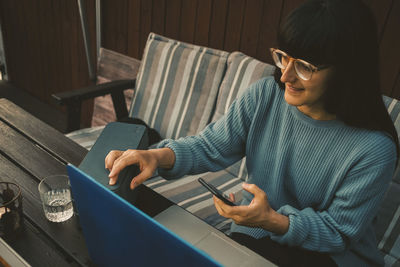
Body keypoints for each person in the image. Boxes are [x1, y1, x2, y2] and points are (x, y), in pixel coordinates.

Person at [105, 0, 399, 266]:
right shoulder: (265, 96)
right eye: (284, 57)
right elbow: (210, 146)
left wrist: (275, 221)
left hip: (332, 257)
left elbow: (338, 233)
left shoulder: (374, 148)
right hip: (261, 232)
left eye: (305, 66)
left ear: (347, 71)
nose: (285, 76)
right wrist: (157, 155)